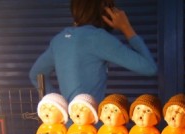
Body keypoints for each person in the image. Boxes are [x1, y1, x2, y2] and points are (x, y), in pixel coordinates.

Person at [29, 1, 157, 104]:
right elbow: (149, 68)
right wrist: (126, 27)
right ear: (103, 8)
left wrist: (60, 106)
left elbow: (36, 75)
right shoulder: (98, 38)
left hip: (67, 128)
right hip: (91, 128)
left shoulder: (59, 40)